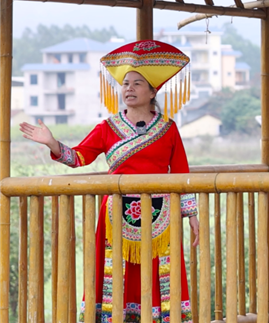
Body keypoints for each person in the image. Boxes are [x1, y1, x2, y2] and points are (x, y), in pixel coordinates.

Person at [20, 39, 199, 323]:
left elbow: (181, 172)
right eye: (125, 83)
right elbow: (78, 157)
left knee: (159, 274)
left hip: (161, 214)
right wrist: (52, 143)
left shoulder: (168, 128)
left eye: (137, 83)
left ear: (153, 91)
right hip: (115, 212)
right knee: (113, 272)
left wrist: (191, 215)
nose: (129, 89)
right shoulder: (107, 127)